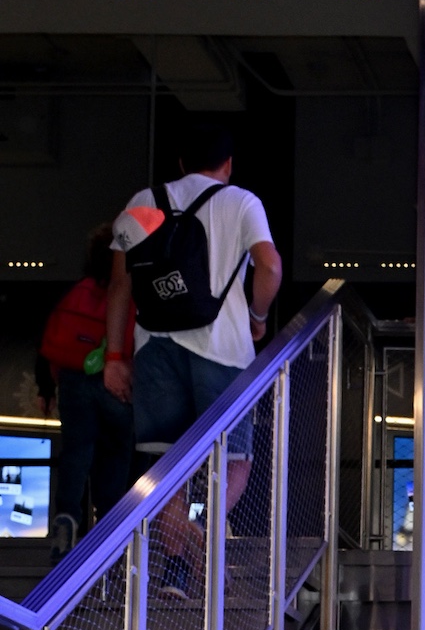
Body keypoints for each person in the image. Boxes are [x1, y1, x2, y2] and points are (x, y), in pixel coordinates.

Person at [103, 114, 282, 594]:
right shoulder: (242, 202)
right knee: (233, 460)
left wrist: (115, 357)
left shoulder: (143, 202)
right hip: (223, 351)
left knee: (166, 468)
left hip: (154, 349)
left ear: (181, 163)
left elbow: (120, 285)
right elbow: (269, 265)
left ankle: (177, 568)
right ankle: (202, 528)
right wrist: (259, 317)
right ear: (228, 163)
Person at [37, 227, 139, 557]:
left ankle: (67, 517)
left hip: (74, 381)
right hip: (118, 383)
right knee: (115, 457)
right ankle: (109, 537)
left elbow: (47, 343)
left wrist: (46, 389)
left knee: (76, 454)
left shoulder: (75, 293)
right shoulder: (128, 297)